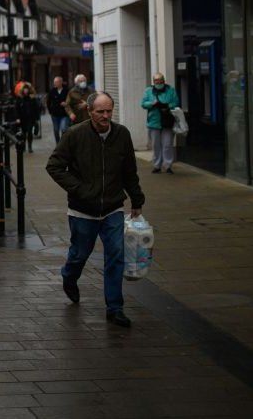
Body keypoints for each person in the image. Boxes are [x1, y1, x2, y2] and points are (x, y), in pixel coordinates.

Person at [46, 92, 145, 328]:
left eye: (109, 110)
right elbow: (54, 166)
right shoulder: (74, 135)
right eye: (100, 111)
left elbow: (129, 170)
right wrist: (80, 189)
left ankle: (115, 307)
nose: (105, 116)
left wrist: (137, 199)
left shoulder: (121, 134)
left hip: (112, 208)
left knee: (115, 256)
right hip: (82, 211)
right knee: (80, 254)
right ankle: (69, 277)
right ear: (89, 111)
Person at [142, 73, 180, 174]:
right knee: (156, 145)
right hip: (154, 121)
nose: (158, 83)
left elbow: (176, 102)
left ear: (164, 80)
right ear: (153, 82)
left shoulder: (170, 90)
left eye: (160, 81)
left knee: (167, 144)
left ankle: (168, 166)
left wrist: (167, 106)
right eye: (156, 81)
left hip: (167, 121)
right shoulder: (148, 91)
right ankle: (157, 165)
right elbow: (143, 103)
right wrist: (152, 104)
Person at [14, 83, 40, 153]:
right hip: (22, 119)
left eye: (27, 89)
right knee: (23, 133)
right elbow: (17, 109)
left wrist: (37, 118)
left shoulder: (32, 98)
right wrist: (17, 118)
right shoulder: (20, 98)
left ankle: (29, 146)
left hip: (30, 118)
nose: (26, 90)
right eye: (25, 89)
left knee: (29, 132)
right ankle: (24, 146)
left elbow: (36, 108)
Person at [47, 76, 70, 143]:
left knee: (63, 129)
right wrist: (50, 111)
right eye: (54, 82)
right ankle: (58, 143)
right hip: (55, 114)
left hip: (64, 114)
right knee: (56, 130)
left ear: (60, 82)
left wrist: (66, 103)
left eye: (56, 82)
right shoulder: (52, 91)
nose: (55, 83)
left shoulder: (66, 90)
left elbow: (70, 100)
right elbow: (48, 102)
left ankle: (62, 143)